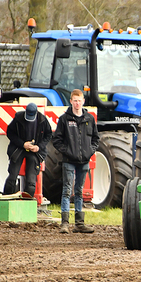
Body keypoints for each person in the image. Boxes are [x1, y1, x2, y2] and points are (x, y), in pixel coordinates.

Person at [52, 89, 99, 234]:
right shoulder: (64, 119)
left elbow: (96, 139)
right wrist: (67, 151)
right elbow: (57, 140)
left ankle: (79, 223)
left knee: (79, 191)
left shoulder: (89, 119)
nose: (77, 103)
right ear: (71, 101)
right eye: (75, 101)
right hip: (68, 161)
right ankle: (64, 223)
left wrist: (89, 151)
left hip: (84, 161)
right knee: (67, 191)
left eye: (79, 101)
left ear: (83, 101)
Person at [3, 102, 52, 198]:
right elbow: (10, 132)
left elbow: (48, 134)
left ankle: (27, 203)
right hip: (19, 149)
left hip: (35, 152)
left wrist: (39, 146)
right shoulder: (18, 118)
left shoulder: (42, 120)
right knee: (12, 177)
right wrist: (22, 144)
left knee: (31, 181)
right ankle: (6, 199)